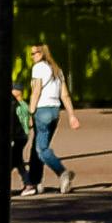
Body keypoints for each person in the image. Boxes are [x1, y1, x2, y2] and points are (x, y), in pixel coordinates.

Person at [22, 41, 76, 194]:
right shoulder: (57, 69)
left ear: (42, 53)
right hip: (54, 111)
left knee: (42, 149)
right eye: (31, 54)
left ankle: (62, 173)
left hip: (42, 110)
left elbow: (36, 91)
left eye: (35, 53)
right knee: (37, 146)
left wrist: (31, 111)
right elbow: (64, 95)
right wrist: (71, 115)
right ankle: (35, 182)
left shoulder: (38, 68)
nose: (32, 57)